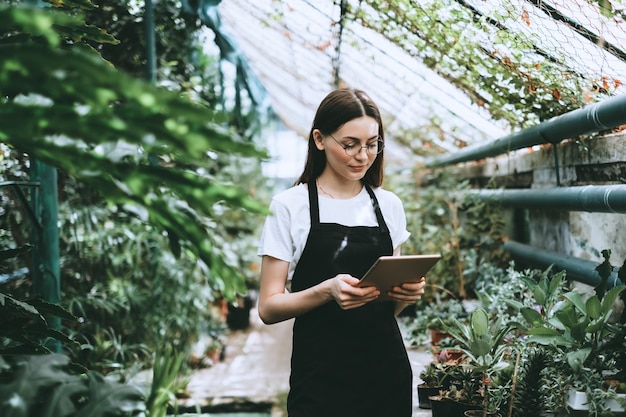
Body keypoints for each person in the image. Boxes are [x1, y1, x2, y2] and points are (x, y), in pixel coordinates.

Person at [257, 88, 426, 417]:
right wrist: (325, 291)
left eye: (372, 144)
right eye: (350, 145)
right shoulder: (290, 206)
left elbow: (389, 310)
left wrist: (407, 293)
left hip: (385, 371)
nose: (363, 155)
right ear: (319, 139)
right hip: (320, 376)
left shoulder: (388, 206)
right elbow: (268, 307)